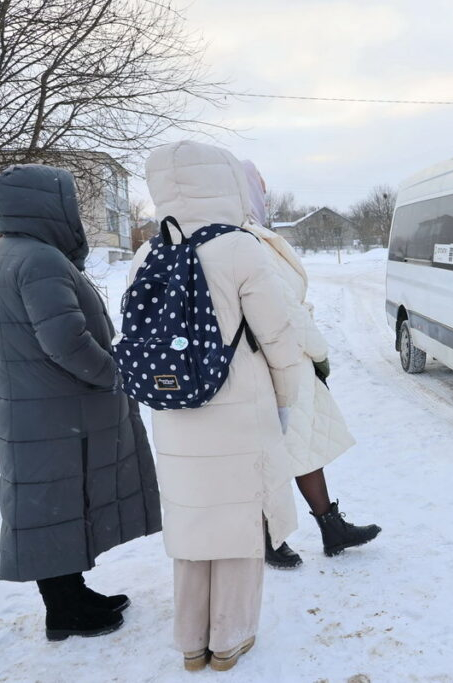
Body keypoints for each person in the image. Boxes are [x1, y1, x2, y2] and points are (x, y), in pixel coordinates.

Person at [133, 141, 303, 671]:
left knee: (192, 523)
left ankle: (190, 640)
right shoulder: (239, 248)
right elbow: (278, 335)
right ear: (225, 183)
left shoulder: (148, 252)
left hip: (174, 407)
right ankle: (229, 638)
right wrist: (288, 400)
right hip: (238, 407)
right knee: (237, 524)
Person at [0, 164, 162, 641]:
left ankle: (72, 595)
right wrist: (113, 375)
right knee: (53, 504)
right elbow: (66, 341)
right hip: (54, 410)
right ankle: (64, 610)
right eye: (65, 200)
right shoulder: (38, 259)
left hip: (39, 409)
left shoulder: (10, 252)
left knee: (55, 505)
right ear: (45, 206)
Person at [240, 160, 380, 569]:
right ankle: (270, 536)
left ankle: (328, 527)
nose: (264, 193)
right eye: (258, 186)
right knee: (275, 451)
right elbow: (284, 310)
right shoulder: (246, 240)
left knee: (299, 445)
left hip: (279, 356)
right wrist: (319, 354)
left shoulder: (251, 236)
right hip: (277, 358)